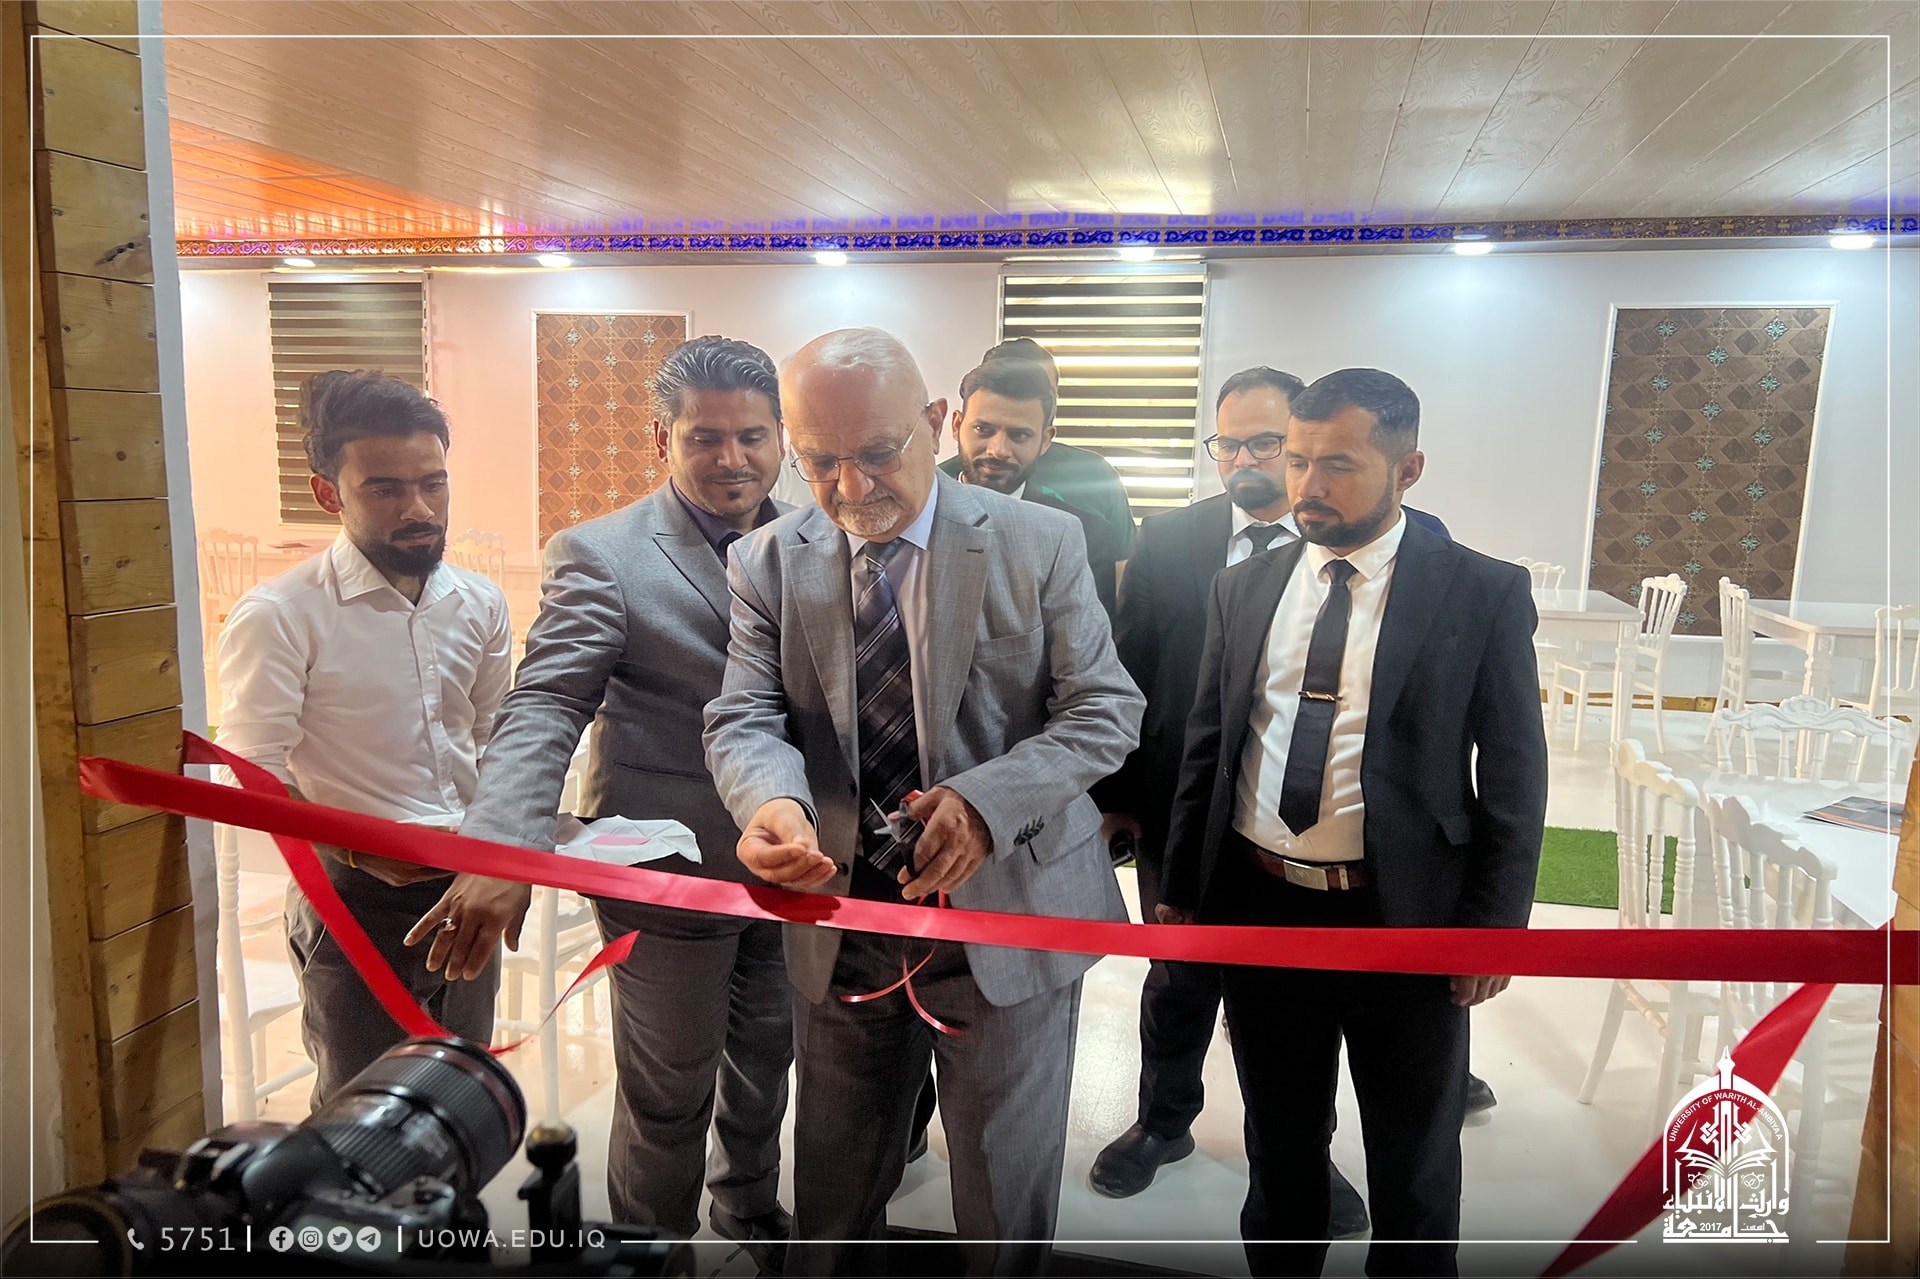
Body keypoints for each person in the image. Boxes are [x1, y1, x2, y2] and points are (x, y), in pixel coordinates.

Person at [703, 328, 1144, 1277]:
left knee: (1001, 1191)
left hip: (1009, 918)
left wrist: (986, 805)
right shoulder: (767, 560)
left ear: (936, 422)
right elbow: (744, 715)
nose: (850, 486)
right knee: (833, 1182)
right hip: (846, 915)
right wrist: (772, 802)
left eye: (877, 451)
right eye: (819, 461)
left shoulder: (1039, 540)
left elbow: (1107, 709)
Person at [1157, 368, 1547, 1277]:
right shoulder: (1245, 587)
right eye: (1297, 460)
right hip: (1263, 908)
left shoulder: (1479, 591)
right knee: (1280, 1140)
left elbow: (1515, 776)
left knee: (1414, 1159)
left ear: (1408, 469)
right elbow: (1210, 745)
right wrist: (1180, 889)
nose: (1307, 484)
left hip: (1406, 916)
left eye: (1338, 464)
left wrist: (1494, 925)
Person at [455, 336, 797, 1263]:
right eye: (705, 437)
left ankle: (747, 1203)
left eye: (752, 436)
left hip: (794, 863)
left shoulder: (818, 537)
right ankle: (649, 1248)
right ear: (661, 438)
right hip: (667, 868)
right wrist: (502, 848)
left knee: (767, 1061)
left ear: (781, 436)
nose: (732, 458)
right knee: (669, 1087)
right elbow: (545, 703)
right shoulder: (602, 553)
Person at [1089, 368, 1363, 1236]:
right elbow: (1127, 670)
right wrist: (1118, 798)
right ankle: (1163, 1120)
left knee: (1294, 1000)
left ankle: (1299, 1148)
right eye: (1227, 444)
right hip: (1181, 802)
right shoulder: (1171, 539)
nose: (1244, 462)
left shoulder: (1348, 540)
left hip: (1299, 819)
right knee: (1177, 975)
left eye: (1265, 444)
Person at [215, 370, 512, 1105]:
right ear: (329, 494)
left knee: (464, 1107)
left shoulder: (480, 602)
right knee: (362, 1124)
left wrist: (503, 856)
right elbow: (244, 779)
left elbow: (496, 741)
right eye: (385, 489)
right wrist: (357, 849)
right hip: (352, 902)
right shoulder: (282, 615)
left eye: (433, 483)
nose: (419, 509)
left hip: (468, 893)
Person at [951, 358, 1125, 613]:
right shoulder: (916, 517)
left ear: (1045, 440)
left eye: (1019, 435)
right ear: (956, 426)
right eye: (982, 429)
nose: (998, 450)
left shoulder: (1088, 536)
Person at [938, 336, 1137, 558]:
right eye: (983, 429)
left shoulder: (1095, 475)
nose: (998, 450)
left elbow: (1122, 567)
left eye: (1042, 391)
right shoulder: (937, 484)